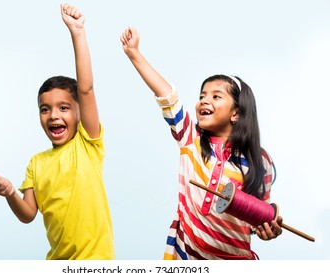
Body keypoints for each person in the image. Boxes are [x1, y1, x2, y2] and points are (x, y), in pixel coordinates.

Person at [120, 27, 283, 260]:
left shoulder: (260, 160)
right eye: (202, 96)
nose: (204, 100)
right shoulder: (190, 138)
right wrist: (134, 52)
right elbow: (168, 97)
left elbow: (260, 215)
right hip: (185, 258)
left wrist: (267, 229)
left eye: (216, 96)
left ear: (236, 113)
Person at [0, 4, 115, 260]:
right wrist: (10, 192)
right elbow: (27, 214)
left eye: (64, 107)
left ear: (79, 112)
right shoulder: (36, 163)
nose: (54, 115)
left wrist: (77, 32)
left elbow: (86, 90)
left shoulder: (87, 143)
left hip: (96, 262)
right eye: (45, 109)